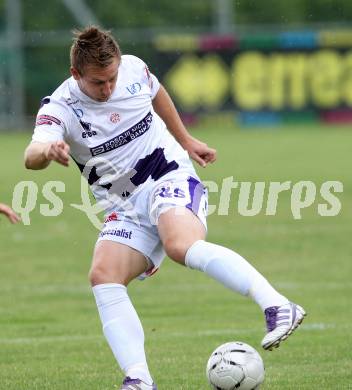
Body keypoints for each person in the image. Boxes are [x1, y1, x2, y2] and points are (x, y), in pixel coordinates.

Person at [24, 26, 306, 390]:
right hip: (124, 204)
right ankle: (139, 379)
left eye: (111, 78)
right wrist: (47, 151)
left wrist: (186, 141)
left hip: (167, 175)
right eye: (98, 83)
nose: (107, 88)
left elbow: (157, 93)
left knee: (179, 246)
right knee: (103, 275)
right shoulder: (61, 107)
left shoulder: (133, 69)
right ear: (75, 74)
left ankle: (278, 305)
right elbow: (31, 156)